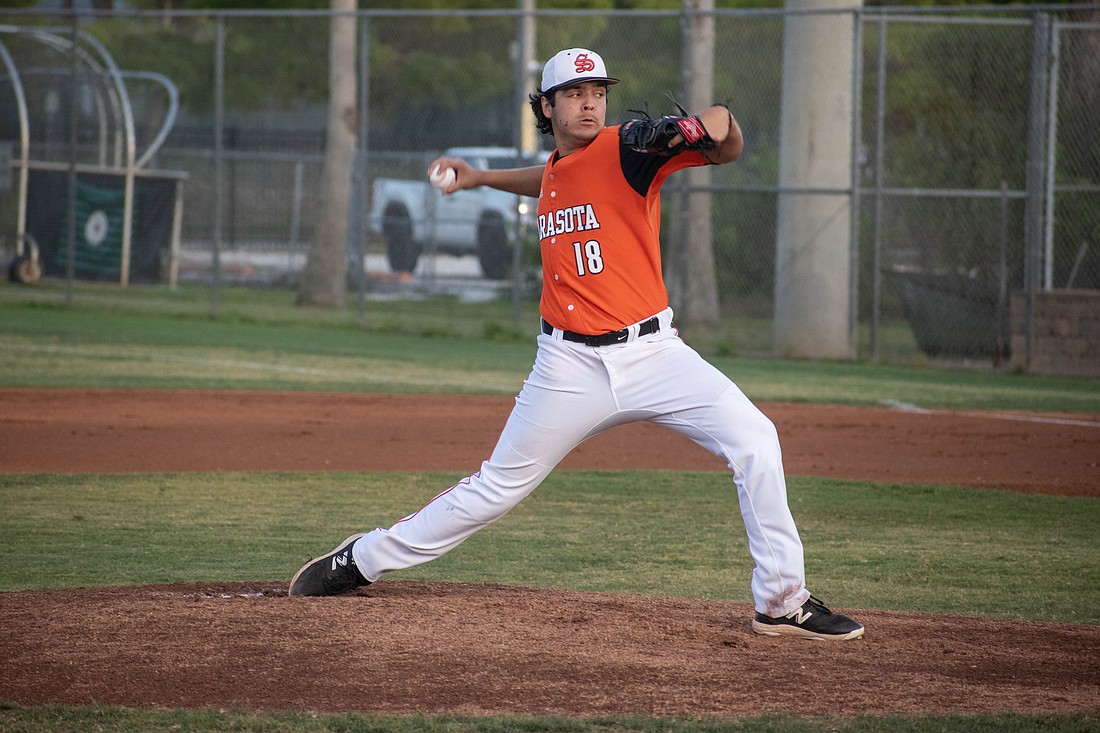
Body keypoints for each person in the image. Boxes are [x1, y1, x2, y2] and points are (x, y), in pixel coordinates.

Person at [290, 48, 864, 641]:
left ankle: (781, 600)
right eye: (574, 93)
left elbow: (725, 138)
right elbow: (553, 177)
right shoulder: (562, 170)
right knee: (494, 490)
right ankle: (361, 559)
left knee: (756, 440)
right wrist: (481, 177)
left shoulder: (630, 147)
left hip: (656, 354)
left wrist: (705, 122)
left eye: (598, 91)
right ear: (547, 106)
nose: (590, 102)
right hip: (568, 366)